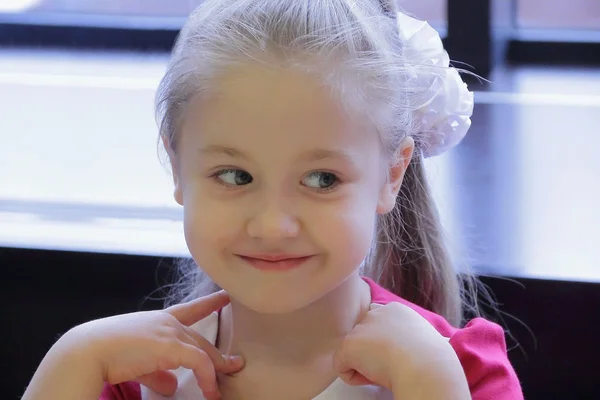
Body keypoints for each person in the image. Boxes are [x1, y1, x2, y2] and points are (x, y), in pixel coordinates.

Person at [22, 0, 524, 399]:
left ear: (390, 175)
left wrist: (430, 386)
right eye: (236, 175)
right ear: (177, 168)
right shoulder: (124, 376)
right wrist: (70, 364)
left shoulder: (459, 375)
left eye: (322, 179)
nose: (272, 225)